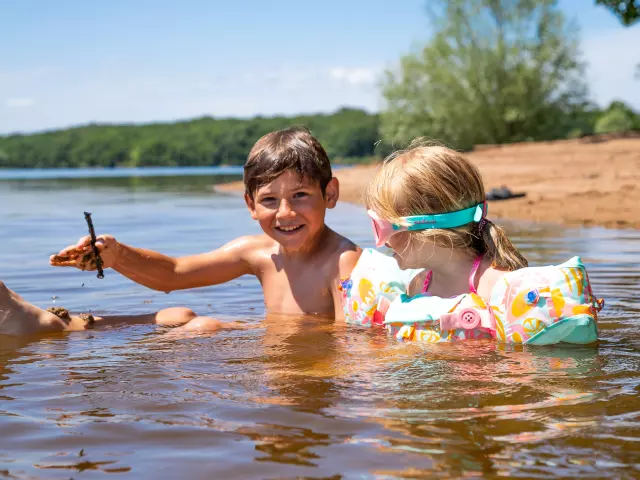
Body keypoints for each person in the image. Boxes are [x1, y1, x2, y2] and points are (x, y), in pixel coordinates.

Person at [1, 127, 361, 336]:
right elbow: (173, 273)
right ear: (250, 205)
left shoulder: (342, 262)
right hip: (274, 344)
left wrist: (246, 335)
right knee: (177, 315)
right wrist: (115, 255)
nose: (285, 213)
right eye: (270, 200)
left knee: (202, 327)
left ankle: (54, 329)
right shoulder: (258, 253)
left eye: (300, 195)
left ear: (329, 194)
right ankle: (69, 326)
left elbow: (348, 341)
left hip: (299, 365)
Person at [341, 140, 601, 344]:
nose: (380, 243)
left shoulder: (495, 287)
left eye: (381, 227)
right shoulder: (418, 285)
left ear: (426, 228)